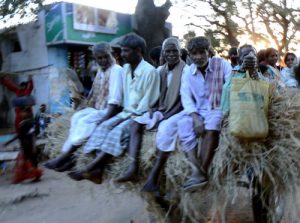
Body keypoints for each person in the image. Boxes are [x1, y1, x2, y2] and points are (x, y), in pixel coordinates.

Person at [68, 33, 160, 183]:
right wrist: (119, 115)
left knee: (116, 132)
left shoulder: (150, 72)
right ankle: (98, 170)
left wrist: (128, 116)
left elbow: (149, 100)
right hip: (127, 112)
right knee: (103, 127)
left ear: (139, 51)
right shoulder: (126, 69)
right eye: (122, 50)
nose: (122, 54)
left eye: (126, 51)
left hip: (140, 114)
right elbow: (124, 97)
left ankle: (91, 167)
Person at [116, 37, 188, 186]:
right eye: (168, 51)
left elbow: (183, 100)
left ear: (180, 52)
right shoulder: (160, 70)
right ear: (163, 53)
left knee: (164, 128)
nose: (171, 54)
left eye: (175, 51)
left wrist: (166, 116)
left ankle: (153, 177)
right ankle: (133, 166)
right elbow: (155, 95)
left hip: (181, 110)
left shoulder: (186, 71)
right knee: (136, 123)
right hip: (162, 108)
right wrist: (152, 110)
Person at [44, 42, 123, 172]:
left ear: (111, 54)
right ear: (95, 59)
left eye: (105, 57)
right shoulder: (101, 71)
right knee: (76, 117)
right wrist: (83, 107)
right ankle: (71, 158)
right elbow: (93, 93)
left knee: (84, 122)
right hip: (98, 108)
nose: (103, 60)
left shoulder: (117, 70)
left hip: (110, 110)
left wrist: (104, 120)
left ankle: (65, 156)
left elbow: (115, 100)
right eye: (99, 58)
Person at [177, 36, 232, 192]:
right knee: (183, 124)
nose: (198, 57)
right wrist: (194, 117)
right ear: (189, 55)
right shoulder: (188, 71)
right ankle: (196, 170)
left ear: (209, 52)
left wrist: (224, 111)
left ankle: (202, 171)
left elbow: (229, 89)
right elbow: (185, 96)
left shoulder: (223, 65)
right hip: (199, 110)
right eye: (194, 53)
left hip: (219, 107)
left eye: (202, 52)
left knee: (212, 124)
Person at [8, 96, 43, 184]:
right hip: (25, 145)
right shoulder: (23, 123)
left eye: (22, 113)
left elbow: (32, 135)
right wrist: (9, 142)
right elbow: (19, 135)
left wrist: (34, 146)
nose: (20, 114)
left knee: (31, 161)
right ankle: (32, 175)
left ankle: (36, 176)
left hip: (29, 145)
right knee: (27, 162)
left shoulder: (28, 123)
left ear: (26, 113)